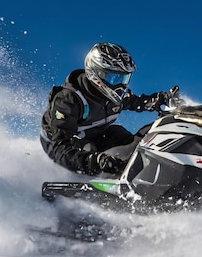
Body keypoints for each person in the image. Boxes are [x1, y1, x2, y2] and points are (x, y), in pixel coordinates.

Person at [40, 42, 173, 176]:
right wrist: (94, 161)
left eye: (124, 78)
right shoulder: (68, 100)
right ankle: (91, 183)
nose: (120, 86)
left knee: (124, 138)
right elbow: (59, 147)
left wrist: (158, 99)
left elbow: (137, 102)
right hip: (60, 144)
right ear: (96, 73)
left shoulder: (115, 95)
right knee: (90, 149)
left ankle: (137, 174)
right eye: (114, 78)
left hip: (93, 134)